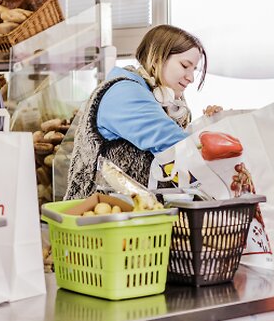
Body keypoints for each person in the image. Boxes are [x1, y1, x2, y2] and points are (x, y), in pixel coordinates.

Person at [65, 24, 210, 199]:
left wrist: (211, 120)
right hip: (101, 216)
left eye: (193, 69)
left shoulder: (156, 96)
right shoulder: (124, 92)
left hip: (136, 215)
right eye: (185, 65)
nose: (191, 78)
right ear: (157, 58)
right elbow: (174, 144)